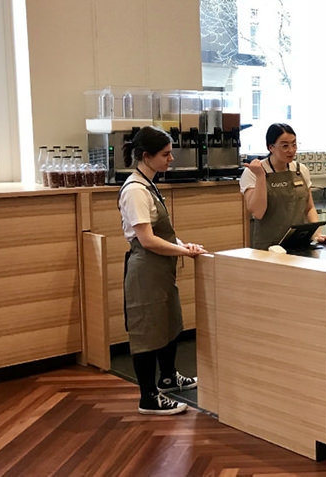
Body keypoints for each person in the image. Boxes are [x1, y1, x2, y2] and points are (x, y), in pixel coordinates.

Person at [118, 126, 206, 415]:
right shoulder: (134, 190)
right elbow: (146, 239)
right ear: (146, 156)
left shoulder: (149, 183)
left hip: (161, 268)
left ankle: (168, 377)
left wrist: (183, 245)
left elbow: (162, 234)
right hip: (145, 269)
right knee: (147, 330)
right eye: (166, 154)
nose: (171, 159)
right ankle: (148, 397)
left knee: (169, 321)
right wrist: (184, 252)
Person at [241, 123, 326, 250]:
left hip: (300, 244)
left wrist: (317, 234)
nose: (291, 150)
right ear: (271, 147)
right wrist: (260, 177)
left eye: (294, 144)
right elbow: (258, 212)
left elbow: (309, 208)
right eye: (285, 146)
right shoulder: (253, 172)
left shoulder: (301, 170)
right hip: (269, 248)